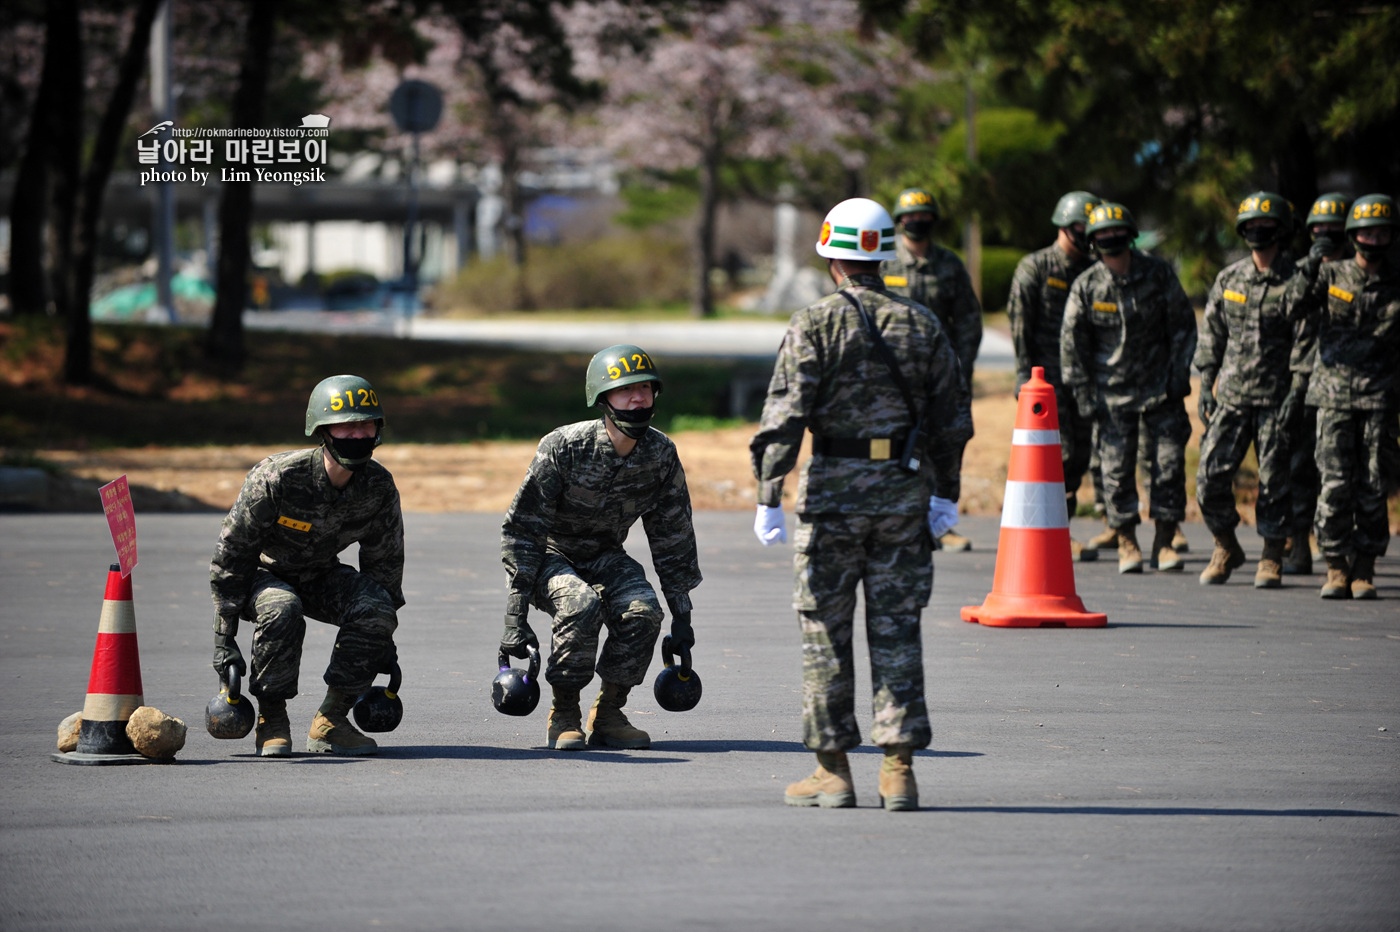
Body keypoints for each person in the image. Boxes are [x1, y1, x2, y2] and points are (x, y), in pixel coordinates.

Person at [751, 197, 972, 812]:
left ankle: (833, 772)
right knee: (897, 630)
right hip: (903, 494)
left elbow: (784, 418)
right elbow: (953, 420)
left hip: (832, 500)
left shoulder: (815, 323)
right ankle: (898, 771)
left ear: (831, 257)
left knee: (825, 632)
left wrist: (770, 493)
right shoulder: (922, 323)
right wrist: (945, 494)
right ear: (882, 253)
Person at [500, 345, 701, 750]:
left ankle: (609, 712)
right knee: (579, 604)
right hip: (549, 555)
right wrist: (515, 612)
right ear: (602, 399)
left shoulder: (659, 454)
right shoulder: (564, 447)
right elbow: (523, 528)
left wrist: (682, 615)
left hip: (605, 555)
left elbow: (672, 534)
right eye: (626, 390)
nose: (638, 398)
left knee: (643, 610)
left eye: (645, 388)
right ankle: (565, 713)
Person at [209, 375, 403, 757]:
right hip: (262, 575)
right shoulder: (277, 477)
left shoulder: (378, 487)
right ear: (323, 431)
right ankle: (272, 717)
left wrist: (383, 637)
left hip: (319, 574)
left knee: (376, 608)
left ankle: (331, 721)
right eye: (347, 425)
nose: (358, 434)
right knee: (283, 607)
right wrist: (224, 635)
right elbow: (233, 553)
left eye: (366, 424)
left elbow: (384, 566)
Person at [1062, 201, 1197, 575]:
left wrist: (1177, 377)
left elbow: (1184, 327)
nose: (1110, 239)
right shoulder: (1086, 286)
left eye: (1116, 232)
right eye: (1102, 234)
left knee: (1168, 469)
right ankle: (1127, 543)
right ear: (1092, 241)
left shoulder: (1159, 274)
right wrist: (1084, 395)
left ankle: (1165, 542)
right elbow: (1072, 346)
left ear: (1131, 235)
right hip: (1111, 397)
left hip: (1161, 393)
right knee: (1116, 473)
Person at [1286, 193, 1399, 599]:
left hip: (1380, 402)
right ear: (1352, 235)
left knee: (1372, 486)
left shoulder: (1395, 284)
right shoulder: (1332, 275)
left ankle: (1364, 567)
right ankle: (1335, 565)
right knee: (1333, 485)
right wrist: (1312, 265)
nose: (1374, 238)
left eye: (1382, 231)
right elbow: (1291, 307)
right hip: (1332, 398)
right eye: (1367, 231)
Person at [1195, 192, 1299, 587]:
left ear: (1281, 230)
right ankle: (1226, 544)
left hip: (1279, 399)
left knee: (1275, 481)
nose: (1258, 232)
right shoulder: (1230, 278)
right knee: (1209, 475)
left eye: (1266, 226)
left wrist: (1299, 392)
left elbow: (1307, 342)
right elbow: (1212, 335)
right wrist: (1207, 383)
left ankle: (1272, 555)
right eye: (1251, 226)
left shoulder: (1296, 281)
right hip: (1234, 397)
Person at [880, 186, 982, 552]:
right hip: (897, 380)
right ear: (899, 220)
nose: (916, 222)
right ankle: (902, 520)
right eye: (909, 217)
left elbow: (969, 321)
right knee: (896, 447)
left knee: (946, 446)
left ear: (933, 221)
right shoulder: (886, 262)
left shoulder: (949, 265)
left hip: (941, 377)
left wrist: (961, 370)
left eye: (923, 217)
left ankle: (942, 524)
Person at [1007, 190, 1101, 561]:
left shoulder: (1091, 271)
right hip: (1044, 382)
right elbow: (1019, 324)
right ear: (1065, 224)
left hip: (1081, 379)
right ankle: (1048, 533)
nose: (1086, 233)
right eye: (1081, 226)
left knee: (1078, 457)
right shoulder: (1036, 267)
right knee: (1053, 458)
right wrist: (1024, 376)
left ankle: (1062, 527)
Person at [1282, 193, 1350, 576]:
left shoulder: (1365, 273)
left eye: (1334, 231)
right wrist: (1310, 269)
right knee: (1300, 467)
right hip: (1305, 380)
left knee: (1344, 471)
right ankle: (1299, 544)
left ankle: (1344, 548)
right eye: (1318, 231)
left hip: (1353, 385)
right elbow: (1286, 309)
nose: (1325, 237)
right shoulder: (1303, 272)